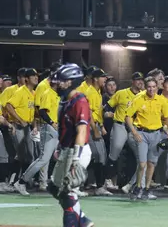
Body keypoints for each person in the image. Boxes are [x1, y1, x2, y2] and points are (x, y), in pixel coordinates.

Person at [46, 63, 94, 227]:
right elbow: (65, 129)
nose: (58, 84)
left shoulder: (80, 101)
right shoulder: (65, 100)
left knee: (68, 193)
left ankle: (76, 222)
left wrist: (75, 158)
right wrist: (60, 147)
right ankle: (83, 220)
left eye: (62, 81)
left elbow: (81, 130)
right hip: (67, 149)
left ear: (72, 81)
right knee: (53, 187)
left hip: (77, 150)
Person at [125, 77, 168, 200]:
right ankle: (138, 187)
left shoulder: (161, 100)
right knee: (142, 164)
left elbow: (167, 117)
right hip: (142, 133)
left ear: (157, 87)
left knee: (152, 163)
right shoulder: (139, 99)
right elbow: (128, 116)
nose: (151, 89)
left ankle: (147, 188)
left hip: (156, 134)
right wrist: (134, 132)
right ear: (146, 87)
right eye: (149, 87)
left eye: (153, 87)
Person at [14, 76, 60, 195]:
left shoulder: (56, 94)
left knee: (60, 157)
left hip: (56, 129)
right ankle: (21, 182)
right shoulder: (48, 93)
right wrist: (51, 123)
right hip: (48, 128)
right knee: (43, 158)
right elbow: (42, 111)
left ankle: (61, 185)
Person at [104, 72, 142, 194]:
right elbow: (107, 108)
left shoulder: (144, 96)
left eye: (141, 80)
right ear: (132, 81)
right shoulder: (121, 93)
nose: (140, 82)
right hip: (120, 125)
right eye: (137, 80)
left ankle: (132, 183)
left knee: (139, 156)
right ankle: (107, 179)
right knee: (115, 152)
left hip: (134, 128)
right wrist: (107, 115)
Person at [5, 68, 39, 183]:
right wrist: (18, 119)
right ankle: (13, 181)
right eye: (32, 76)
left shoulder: (34, 93)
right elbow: (8, 105)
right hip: (18, 126)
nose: (36, 78)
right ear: (26, 79)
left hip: (28, 127)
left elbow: (33, 112)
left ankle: (22, 180)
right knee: (20, 155)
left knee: (30, 156)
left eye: (36, 76)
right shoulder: (20, 91)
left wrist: (34, 126)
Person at [84, 68, 111, 196]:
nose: (105, 79)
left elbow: (97, 112)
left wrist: (101, 126)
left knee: (99, 156)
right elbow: (88, 113)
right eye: (102, 77)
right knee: (98, 156)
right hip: (90, 127)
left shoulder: (98, 91)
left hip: (96, 126)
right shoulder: (90, 92)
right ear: (95, 78)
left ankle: (97, 184)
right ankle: (97, 186)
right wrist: (95, 130)